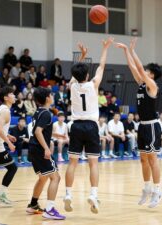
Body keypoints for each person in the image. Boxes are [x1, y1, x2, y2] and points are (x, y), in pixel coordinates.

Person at [64, 38, 114, 214]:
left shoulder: (71, 86)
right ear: (87, 75)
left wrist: (83, 56)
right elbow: (101, 66)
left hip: (76, 126)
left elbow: (74, 72)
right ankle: (93, 194)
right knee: (93, 163)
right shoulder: (93, 84)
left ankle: (68, 194)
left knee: (72, 163)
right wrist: (105, 48)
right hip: (91, 127)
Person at [115, 38, 162, 208]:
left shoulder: (152, 85)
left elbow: (140, 69)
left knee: (152, 159)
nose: (145, 72)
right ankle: (147, 188)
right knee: (143, 160)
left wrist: (133, 50)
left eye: (148, 71)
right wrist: (126, 51)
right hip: (142, 126)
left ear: (152, 74)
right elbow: (133, 68)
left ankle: (158, 190)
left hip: (151, 125)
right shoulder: (142, 83)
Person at [26, 87, 65, 220]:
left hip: (33, 148)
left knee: (43, 177)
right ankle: (49, 209)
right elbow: (38, 131)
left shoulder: (38, 112)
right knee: (56, 178)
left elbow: (41, 130)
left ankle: (33, 204)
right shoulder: (46, 114)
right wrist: (47, 148)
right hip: (39, 149)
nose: (52, 96)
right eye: (51, 95)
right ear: (48, 98)